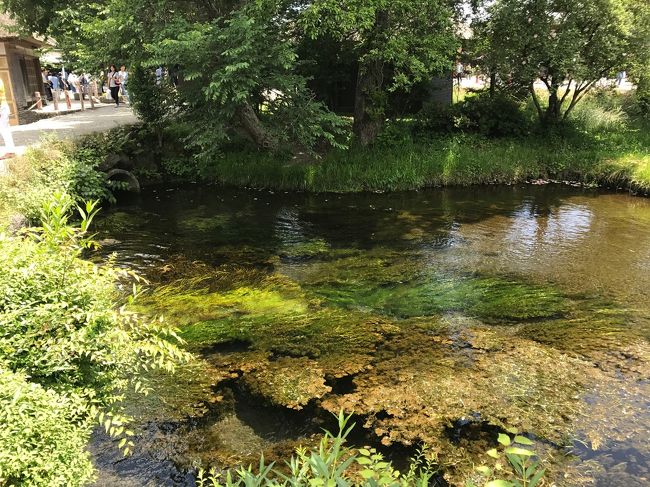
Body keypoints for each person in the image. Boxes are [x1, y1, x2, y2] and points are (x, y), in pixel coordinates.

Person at [0, 79, 15, 164]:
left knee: (4, 130)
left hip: (1, 108)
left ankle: (10, 151)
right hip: (2, 108)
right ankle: (10, 151)